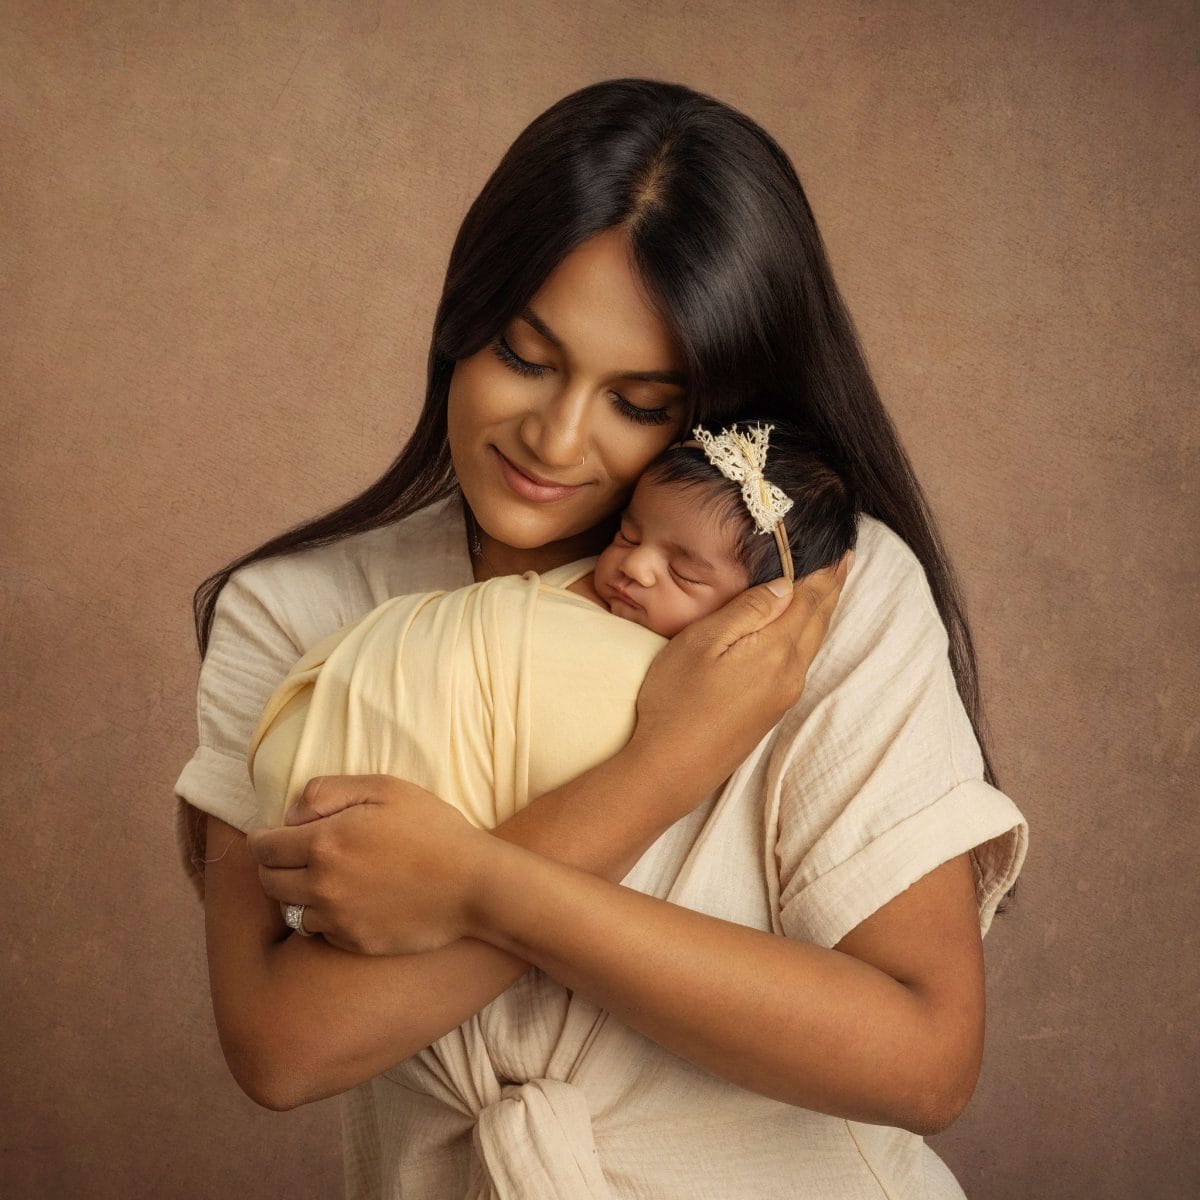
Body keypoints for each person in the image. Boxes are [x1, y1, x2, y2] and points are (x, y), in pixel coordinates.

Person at [178, 79, 1028, 1199]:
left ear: (714, 406)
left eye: (638, 403)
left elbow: (924, 1062)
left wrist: (477, 884)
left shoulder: (810, 597)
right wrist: (659, 770)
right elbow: (283, 1049)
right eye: (527, 357)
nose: (555, 436)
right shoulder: (295, 611)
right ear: (462, 322)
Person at [250, 422, 857, 843]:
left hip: (354, 806)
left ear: (760, 610)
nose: (636, 567)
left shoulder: (688, 692)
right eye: (627, 534)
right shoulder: (575, 590)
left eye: (684, 573)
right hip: (332, 726)